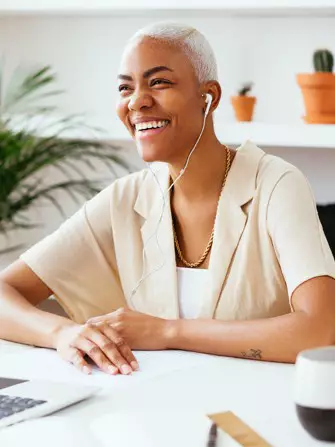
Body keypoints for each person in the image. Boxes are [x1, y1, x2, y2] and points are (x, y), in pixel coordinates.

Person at [1, 22, 335, 376]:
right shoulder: (124, 198)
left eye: (159, 82)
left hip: (256, 417)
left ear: (209, 96)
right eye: (125, 87)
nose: (137, 101)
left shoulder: (277, 184)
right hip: (155, 411)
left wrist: (166, 332)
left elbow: (321, 331)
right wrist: (63, 333)